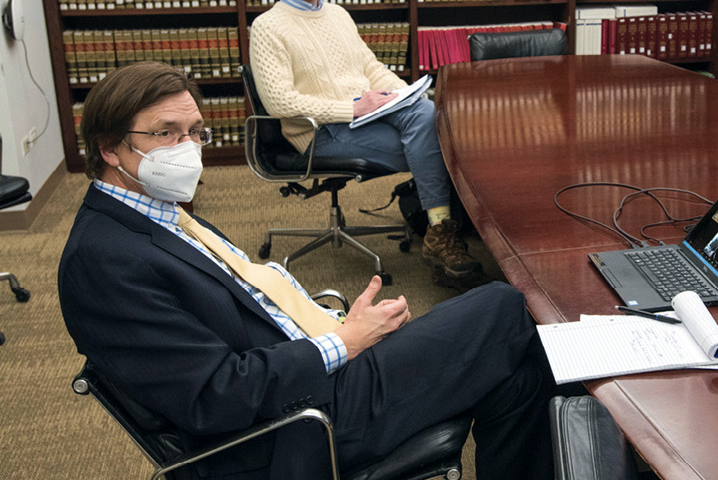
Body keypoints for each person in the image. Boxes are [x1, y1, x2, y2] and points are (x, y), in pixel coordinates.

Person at [57, 61, 554, 480]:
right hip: (293, 427)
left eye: (194, 133)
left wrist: (335, 325)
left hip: (306, 375)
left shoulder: (155, 212)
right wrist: (346, 343)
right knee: (502, 305)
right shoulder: (103, 260)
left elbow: (245, 302)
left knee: (518, 375)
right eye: (166, 133)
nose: (188, 147)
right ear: (108, 148)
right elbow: (215, 396)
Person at [248, 0, 481, 285]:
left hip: (370, 114)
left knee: (427, 113)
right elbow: (279, 101)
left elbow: (370, 68)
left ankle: (439, 230)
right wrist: (351, 109)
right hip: (321, 131)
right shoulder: (267, 27)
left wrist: (402, 94)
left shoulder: (338, 15)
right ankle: (442, 231)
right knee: (437, 146)